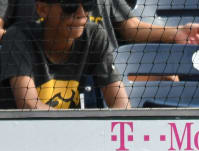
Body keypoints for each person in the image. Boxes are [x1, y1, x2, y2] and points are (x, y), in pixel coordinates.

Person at [0, 0, 130, 109]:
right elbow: (28, 104)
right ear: (42, 9)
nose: (81, 14)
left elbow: (121, 103)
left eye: (88, 4)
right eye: (70, 6)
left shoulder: (94, 35)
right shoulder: (18, 37)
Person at [2, 0, 199, 51]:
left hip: (101, 68)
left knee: (168, 75)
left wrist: (176, 33)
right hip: (38, 71)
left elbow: (129, 26)